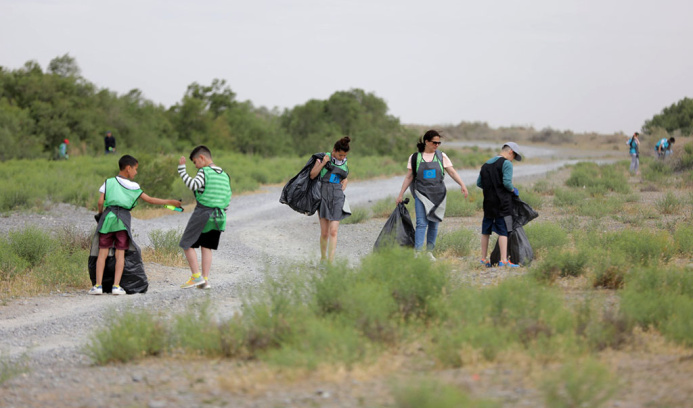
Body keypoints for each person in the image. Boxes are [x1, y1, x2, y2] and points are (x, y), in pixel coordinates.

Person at [89, 155, 182, 295]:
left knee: (102, 253)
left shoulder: (108, 182)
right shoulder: (134, 186)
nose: (136, 172)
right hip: (122, 222)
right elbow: (150, 200)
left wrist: (101, 214)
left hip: (107, 220)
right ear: (128, 168)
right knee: (120, 254)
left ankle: (98, 286)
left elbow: (100, 202)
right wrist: (170, 202)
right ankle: (116, 286)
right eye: (135, 169)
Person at [396, 130, 469, 260]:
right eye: (434, 142)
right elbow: (409, 177)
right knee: (421, 223)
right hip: (421, 194)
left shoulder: (442, 156)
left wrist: (462, 185)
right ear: (427, 142)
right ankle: (418, 252)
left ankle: (429, 252)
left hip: (438, 196)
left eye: (438, 143)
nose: (437, 145)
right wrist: (400, 194)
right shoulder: (415, 158)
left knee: (434, 224)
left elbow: (452, 172)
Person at [178, 145, 232, 289]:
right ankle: (205, 280)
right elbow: (228, 197)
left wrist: (182, 170)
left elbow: (193, 185)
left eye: (195, 162)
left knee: (186, 243)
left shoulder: (204, 171)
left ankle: (196, 276)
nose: (196, 166)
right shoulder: (224, 174)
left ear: (202, 158)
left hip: (204, 213)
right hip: (219, 216)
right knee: (206, 246)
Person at [477, 142, 523, 268]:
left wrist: (490, 188)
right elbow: (507, 183)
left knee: (485, 231)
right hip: (502, 203)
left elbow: (479, 183)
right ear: (510, 152)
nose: (513, 159)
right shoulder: (506, 163)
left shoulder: (486, 164)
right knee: (503, 230)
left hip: (488, 202)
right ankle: (503, 260)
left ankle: (483, 259)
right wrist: (513, 190)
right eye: (514, 156)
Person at [309, 136, 352, 263]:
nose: (342, 158)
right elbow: (312, 175)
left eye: (344, 155)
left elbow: (344, 177)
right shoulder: (323, 157)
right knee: (325, 233)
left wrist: (346, 181)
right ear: (334, 150)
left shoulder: (345, 161)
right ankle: (323, 259)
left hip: (338, 197)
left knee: (333, 231)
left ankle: (330, 262)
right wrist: (323, 163)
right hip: (323, 196)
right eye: (340, 155)